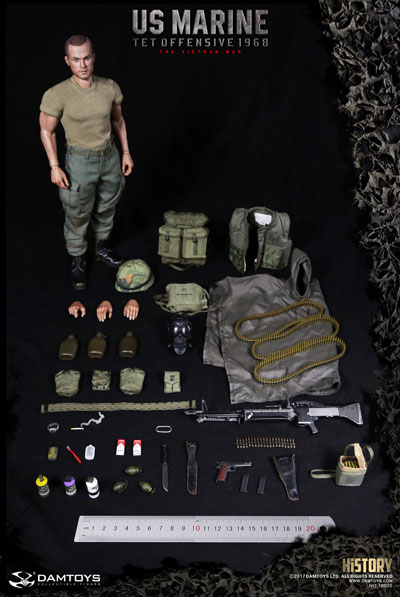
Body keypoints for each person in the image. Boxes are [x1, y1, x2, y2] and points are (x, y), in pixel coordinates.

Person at [39, 34, 134, 290]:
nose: (82, 65)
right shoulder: (57, 94)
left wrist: (126, 151)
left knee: (107, 204)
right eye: (76, 59)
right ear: (67, 61)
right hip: (80, 161)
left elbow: (118, 120)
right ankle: (78, 259)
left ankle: (100, 247)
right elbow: (47, 130)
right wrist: (54, 166)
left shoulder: (109, 87)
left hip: (109, 156)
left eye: (87, 58)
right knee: (77, 211)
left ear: (93, 58)